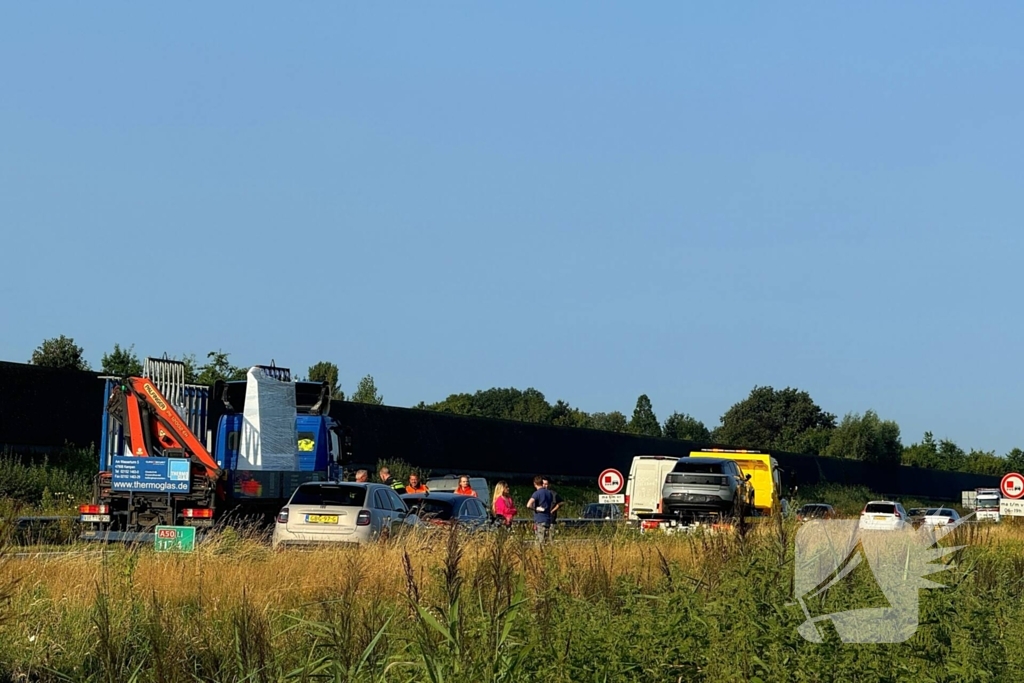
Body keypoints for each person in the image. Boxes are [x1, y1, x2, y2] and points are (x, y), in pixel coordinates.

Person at [527, 475, 556, 543]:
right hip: (548, 519)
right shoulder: (549, 493)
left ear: (535, 484)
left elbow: (528, 505)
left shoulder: (536, 493)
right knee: (546, 541)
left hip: (540, 520)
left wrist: (536, 508)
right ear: (542, 483)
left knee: (539, 542)